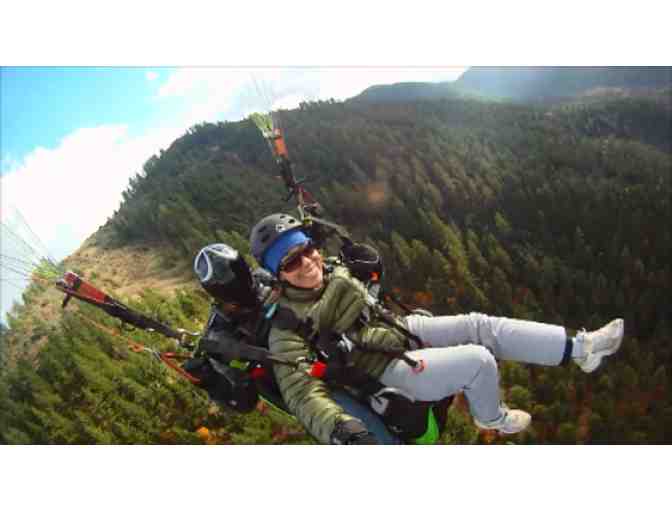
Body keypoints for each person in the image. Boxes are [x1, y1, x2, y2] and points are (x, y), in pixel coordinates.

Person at [250, 213, 625, 445]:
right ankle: (491, 417)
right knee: (478, 361)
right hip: (382, 369)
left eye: (307, 249)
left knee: (480, 325)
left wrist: (367, 266)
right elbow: (301, 394)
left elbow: (365, 287)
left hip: (395, 328)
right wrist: (339, 428)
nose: (307, 262)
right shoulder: (285, 327)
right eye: (291, 261)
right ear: (277, 274)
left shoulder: (330, 268)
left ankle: (581, 349)